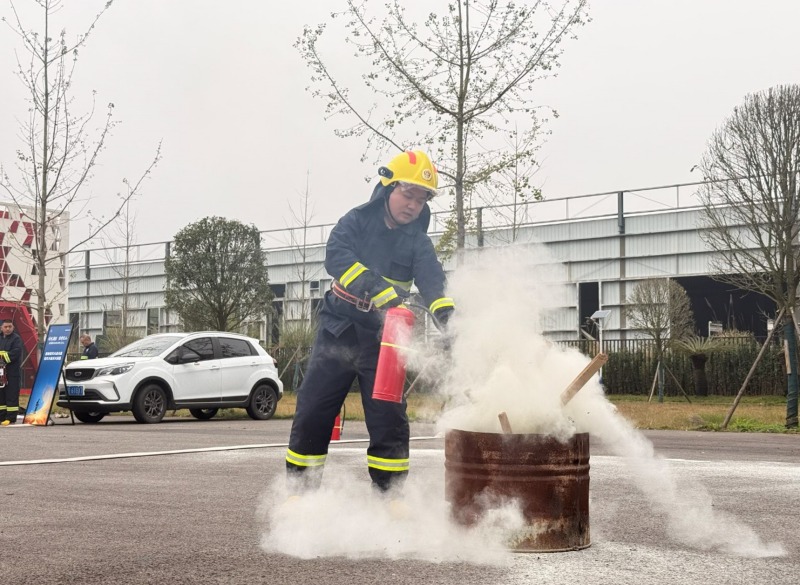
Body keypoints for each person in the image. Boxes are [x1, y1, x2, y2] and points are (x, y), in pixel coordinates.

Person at [286, 150, 455, 497]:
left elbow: (434, 283)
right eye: (407, 194)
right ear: (387, 188)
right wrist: (378, 289)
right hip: (339, 329)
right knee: (313, 410)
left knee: (388, 417)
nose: (413, 205)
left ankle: (390, 496)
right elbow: (337, 258)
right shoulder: (355, 222)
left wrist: (449, 320)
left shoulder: (419, 243)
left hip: (385, 339)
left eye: (421, 199)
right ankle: (300, 494)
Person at [0, 318, 24, 426]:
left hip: (12, 373)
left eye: (10, 326)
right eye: (6, 327)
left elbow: (16, 352)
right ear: (1, 328)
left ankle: (10, 418)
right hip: (1, 373)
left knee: (11, 395)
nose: (8, 328)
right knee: (1, 395)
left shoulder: (16, 339)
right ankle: (1, 417)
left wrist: (2, 355)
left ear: (13, 327)